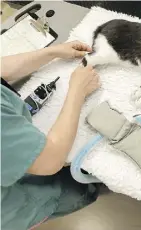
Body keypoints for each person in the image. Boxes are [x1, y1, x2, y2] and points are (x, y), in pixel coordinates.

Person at [1, 41, 100, 230]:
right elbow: (50, 160)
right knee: (75, 191)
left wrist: (52, 53)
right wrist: (78, 91)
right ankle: (84, 193)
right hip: (17, 201)